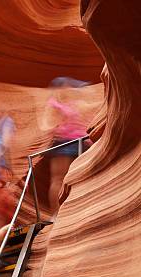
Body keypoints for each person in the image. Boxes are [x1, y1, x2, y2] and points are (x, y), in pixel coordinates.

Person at [46, 77, 92, 218]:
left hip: (79, 143)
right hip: (63, 143)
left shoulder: (73, 103)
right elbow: (49, 124)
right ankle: (56, 213)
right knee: (58, 179)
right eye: (65, 86)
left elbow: (86, 107)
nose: (68, 89)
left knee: (79, 178)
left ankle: (76, 211)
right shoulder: (54, 103)